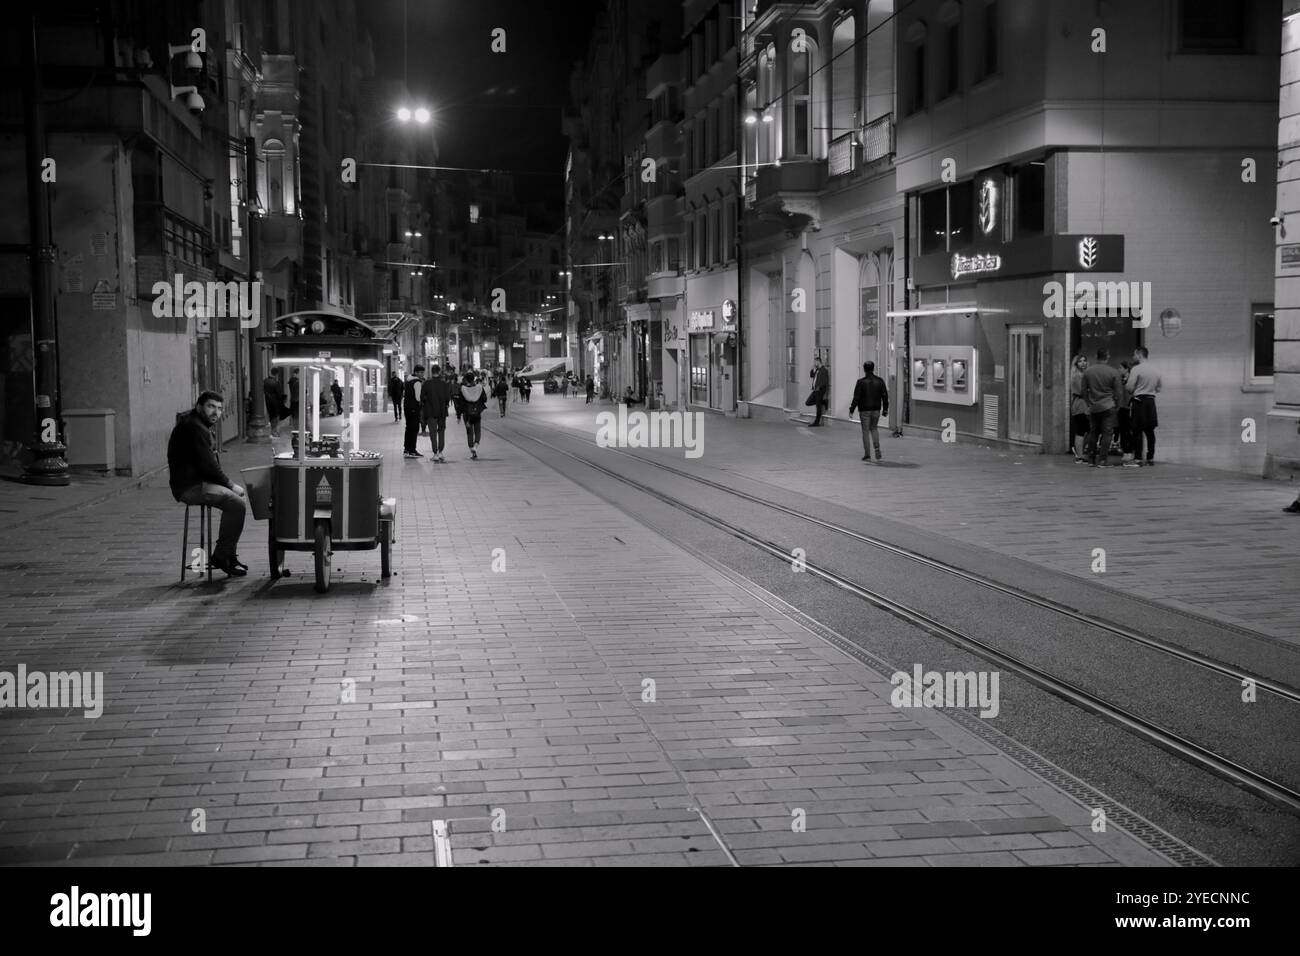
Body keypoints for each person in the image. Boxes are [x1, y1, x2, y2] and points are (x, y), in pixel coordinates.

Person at [167, 391, 249, 577]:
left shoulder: (196, 424)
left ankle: (227, 555)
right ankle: (222, 556)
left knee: (235, 501)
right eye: (211, 406)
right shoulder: (195, 427)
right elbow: (208, 466)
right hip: (190, 487)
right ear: (199, 407)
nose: (216, 412)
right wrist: (230, 485)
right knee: (237, 504)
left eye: (219, 408)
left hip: (196, 482)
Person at [1081, 347, 1125, 468]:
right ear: (1107, 356)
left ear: (1096, 356)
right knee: (1107, 434)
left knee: (1093, 432)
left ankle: (1090, 459)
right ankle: (1102, 460)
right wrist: (1118, 405)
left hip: (1094, 406)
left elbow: (1083, 391)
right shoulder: (1113, 372)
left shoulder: (1088, 372)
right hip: (1108, 405)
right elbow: (1119, 392)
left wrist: (1089, 403)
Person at [1126, 347, 1162, 466]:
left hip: (1139, 402)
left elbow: (1130, 388)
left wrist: (1133, 386)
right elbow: (1159, 388)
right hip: (1151, 402)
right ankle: (1150, 457)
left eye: (1134, 354)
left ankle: (1137, 459)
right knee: (1150, 431)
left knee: (1137, 431)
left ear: (1139, 354)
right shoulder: (1156, 370)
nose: (1133, 357)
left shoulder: (1136, 369)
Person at [848, 362, 890, 462]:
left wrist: (851, 409)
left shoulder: (861, 382)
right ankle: (877, 448)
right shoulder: (879, 381)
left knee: (865, 432)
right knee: (874, 428)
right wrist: (885, 409)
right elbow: (885, 396)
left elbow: (856, 397)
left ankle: (867, 454)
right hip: (876, 409)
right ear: (873, 368)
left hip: (864, 410)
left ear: (864, 369)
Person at [420, 362, 452, 462]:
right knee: (441, 431)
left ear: (431, 372)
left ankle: (435, 453)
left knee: (433, 433)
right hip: (442, 412)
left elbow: (422, 397)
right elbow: (448, 398)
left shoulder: (426, 383)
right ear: (439, 372)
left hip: (430, 412)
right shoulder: (444, 384)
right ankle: (441, 452)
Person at [456, 371, 488, 459]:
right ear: (474, 379)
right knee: (478, 430)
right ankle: (476, 446)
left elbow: (460, 404)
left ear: (466, 379)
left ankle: (472, 451)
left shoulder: (462, 389)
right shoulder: (479, 388)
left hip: (467, 414)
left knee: (469, 432)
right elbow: (484, 399)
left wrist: (458, 415)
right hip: (477, 412)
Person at [402, 366, 426, 458]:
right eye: (420, 372)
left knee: (408, 428)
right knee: (414, 429)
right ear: (416, 373)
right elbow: (418, 397)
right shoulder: (417, 383)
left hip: (407, 407)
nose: (422, 374)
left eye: (423, 372)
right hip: (414, 408)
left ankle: (406, 449)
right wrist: (424, 398)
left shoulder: (408, 381)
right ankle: (412, 450)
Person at [1069, 355, 1090, 463]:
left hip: (1086, 405)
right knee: (1081, 430)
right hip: (1079, 405)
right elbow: (1082, 391)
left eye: (1084, 360)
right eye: (1080, 361)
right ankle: (1079, 455)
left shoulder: (1085, 374)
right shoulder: (1076, 376)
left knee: (1089, 430)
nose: (1083, 363)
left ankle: (1079, 450)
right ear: (1076, 364)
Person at [809, 357, 830, 426]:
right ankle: (822, 402)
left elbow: (825, 382)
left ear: (818, 362)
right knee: (808, 402)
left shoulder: (824, 370)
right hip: (815, 390)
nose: (814, 363)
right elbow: (811, 375)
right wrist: (813, 369)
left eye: (815, 362)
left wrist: (821, 389)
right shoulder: (817, 370)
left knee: (818, 407)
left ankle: (816, 422)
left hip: (820, 390)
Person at [262, 373, 284, 437]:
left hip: (267, 402)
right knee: (276, 417)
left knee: (271, 416)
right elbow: (279, 394)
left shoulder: (265, 381)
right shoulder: (275, 383)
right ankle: (274, 432)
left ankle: (272, 431)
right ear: (276, 374)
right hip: (275, 402)